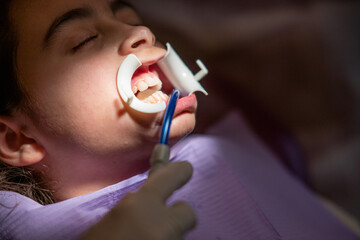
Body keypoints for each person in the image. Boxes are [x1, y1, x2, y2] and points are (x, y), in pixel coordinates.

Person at [0, 0, 358, 239]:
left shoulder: (228, 152)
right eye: (85, 40)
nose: (140, 33)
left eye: (130, 20)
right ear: (18, 139)